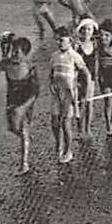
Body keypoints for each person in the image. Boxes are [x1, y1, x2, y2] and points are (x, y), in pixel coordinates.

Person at [0, 34, 38, 175]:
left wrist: (23, 108)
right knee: (12, 128)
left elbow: (35, 91)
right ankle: (26, 136)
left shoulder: (29, 68)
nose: (14, 53)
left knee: (21, 129)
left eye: (18, 51)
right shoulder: (7, 64)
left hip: (26, 100)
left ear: (25, 54)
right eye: (13, 50)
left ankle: (24, 163)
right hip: (12, 100)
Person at [49, 34, 89, 165]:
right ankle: (58, 143)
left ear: (70, 42)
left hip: (69, 94)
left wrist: (86, 91)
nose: (59, 43)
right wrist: (51, 84)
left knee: (65, 123)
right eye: (58, 40)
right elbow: (51, 73)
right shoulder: (54, 56)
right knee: (54, 121)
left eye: (62, 40)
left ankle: (68, 150)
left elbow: (86, 73)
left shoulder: (75, 56)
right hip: (57, 93)